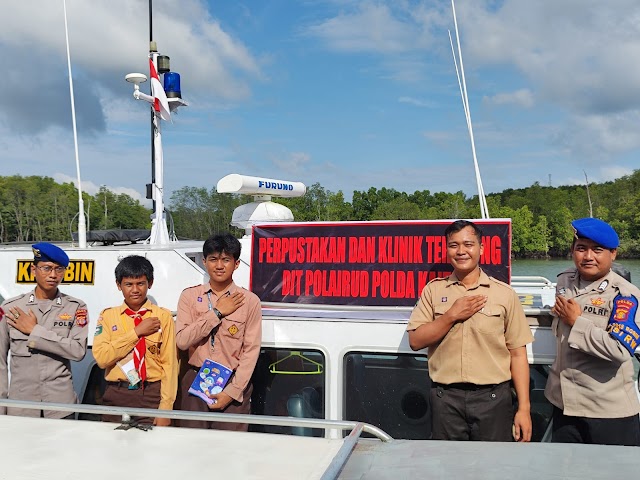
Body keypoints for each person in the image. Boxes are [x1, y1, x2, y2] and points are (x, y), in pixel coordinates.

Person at [407, 220, 533, 442]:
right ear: (446, 250)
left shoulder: (504, 294)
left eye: (468, 244)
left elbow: (518, 354)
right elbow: (416, 340)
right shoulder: (433, 291)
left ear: (481, 248)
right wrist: (451, 316)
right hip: (445, 400)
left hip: (493, 399)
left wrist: (524, 408)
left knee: (492, 469)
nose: (461, 251)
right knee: (447, 469)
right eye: (454, 245)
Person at [544, 218, 640, 446]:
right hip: (564, 404)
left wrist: (576, 321)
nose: (588, 257)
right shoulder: (564, 280)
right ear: (572, 251)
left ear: (613, 254)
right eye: (581, 249)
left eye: (597, 250)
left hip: (607, 411)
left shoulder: (624, 295)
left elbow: (619, 350)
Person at [176, 233, 262, 430]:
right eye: (213, 259)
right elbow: (182, 341)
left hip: (232, 382)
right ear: (204, 262)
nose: (219, 266)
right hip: (196, 381)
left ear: (236, 263)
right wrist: (217, 312)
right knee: (192, 445)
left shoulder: (249, 301)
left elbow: (251, 352)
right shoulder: (190, 296)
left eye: (226, 260)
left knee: (228, 450)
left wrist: (232, 392)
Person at [0, 242, 88, 418]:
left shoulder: (75, 307)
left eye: (59, 269)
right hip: (21, 407)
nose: (53, 275)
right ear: (34, 270)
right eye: (46, 268)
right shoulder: (11, 308)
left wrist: (34, 331)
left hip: (60, 408)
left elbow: (78, 351)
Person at [92, 255, 177, 426]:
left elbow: (170, 365)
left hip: (151, 393)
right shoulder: (108, 316)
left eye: (140, 283)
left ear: (150, 283)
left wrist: (166, 408)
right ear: (119, 285)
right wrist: (136, 333)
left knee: (151, 448)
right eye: (128, 284)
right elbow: (102, 359)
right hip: (117, 393)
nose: (135, 290)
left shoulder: (163, 316)